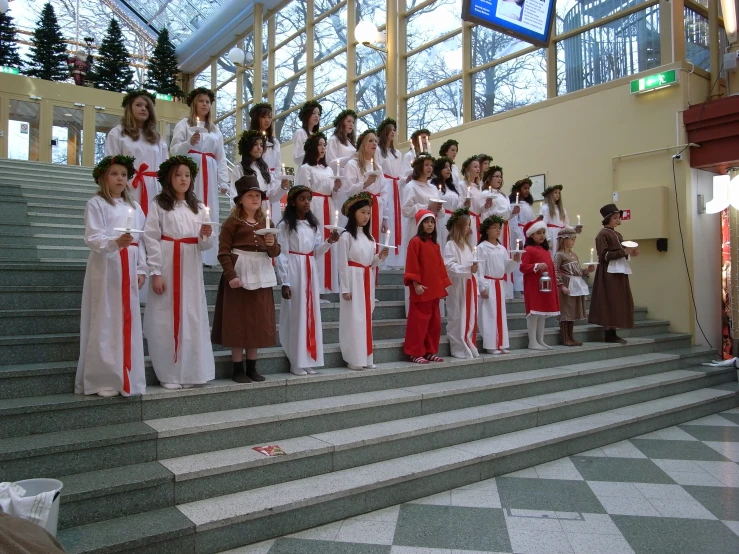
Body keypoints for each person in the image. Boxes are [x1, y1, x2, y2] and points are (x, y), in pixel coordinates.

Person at [75, 155, 147, 397]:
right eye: (114, 174)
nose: (120, 179)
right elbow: (92, 237)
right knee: (106, 318)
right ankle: (103, 378)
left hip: (128, 266)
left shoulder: (135, 207)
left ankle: (129, 376)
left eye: (124, 175)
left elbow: (141, 241)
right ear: (104, 177)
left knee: (127, 319)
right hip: (107, 267)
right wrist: (115, 243)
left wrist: (141, 268)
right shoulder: (96, 204)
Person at [143, 156, 215, 389]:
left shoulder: (199, 207)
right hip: (167, 261)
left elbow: (205, 245)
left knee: (191, 316)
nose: (183, 179)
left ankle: (192, 372)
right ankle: (170, 373)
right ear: (169, 178)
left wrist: (205, 235)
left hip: (191, 267)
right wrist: (155, 272)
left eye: (187, 175)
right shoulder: (159, 204)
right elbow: (151, 237)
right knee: (166, 316)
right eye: (178, 175)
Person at [212, 175, 281, 382]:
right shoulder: (231, 223)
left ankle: (252, 366)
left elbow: (275, 253)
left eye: (258, 195)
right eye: (250, 195)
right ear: (240, 199)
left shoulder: (266, 222)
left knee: (256, 320)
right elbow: (223, 252)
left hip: (260, 273)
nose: (255, 199)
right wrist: (231, 275)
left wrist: (271, 244)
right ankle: (237, 369)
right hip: (239, 273)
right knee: (238, 320)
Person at [276, 186, 340, 375]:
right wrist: (285, 282)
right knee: (296, 314)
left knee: (310, 314)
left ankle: (307, 358)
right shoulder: (285, 225)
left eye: (308, 199)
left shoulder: (313, 225)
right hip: (294, 268)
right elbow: (282, 255)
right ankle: (295, 360)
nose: (306, 202)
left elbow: (316, 251)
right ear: (293, 201)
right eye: (302, 199)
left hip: (309, 268)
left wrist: (329, 242)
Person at [169, 87, 228, 266]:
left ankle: (209, 255)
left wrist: (223, 180)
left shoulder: (214, 130)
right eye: (201, 101)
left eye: (208, 102)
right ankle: (190, 249)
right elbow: (173, 150)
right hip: (191, 171)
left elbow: (221, 156)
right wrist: (189, 143)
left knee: (209, 208)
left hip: (209, 171)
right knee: (191, 206)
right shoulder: (184, 125)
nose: (205, 104)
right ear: (194, 103)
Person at [338, 193, 389, 370]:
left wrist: (379, 257)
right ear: (353, 213)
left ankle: (366, 358)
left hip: (366, 278)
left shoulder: (370, 238)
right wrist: (345, 288)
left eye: (368, 213)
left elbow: (370, 263)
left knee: (365, 319)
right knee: (353, 319)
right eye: (362, 212)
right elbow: (342, 263)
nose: (366, 216)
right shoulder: (346, 236)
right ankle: (354, 358)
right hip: (353, 279)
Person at [104, 90, 168, 218]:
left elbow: (165, 166)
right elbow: (110, 163)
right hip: (129, 186)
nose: (143, 109)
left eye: (146, 106)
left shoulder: (157, 138)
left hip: (154, 188)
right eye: (138, 105)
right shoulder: (117, 133)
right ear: (129, 108)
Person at [297, 131, 344, 294]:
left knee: (329, 242)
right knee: (316, 243)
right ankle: (317, 287)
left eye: (325, 145)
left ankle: (329, 286)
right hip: (314, 207)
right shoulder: (305, 168)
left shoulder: (329, 170)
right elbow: (302, 193)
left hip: (328, 207)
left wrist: (337, 188)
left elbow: (334, 195)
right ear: (312, 147)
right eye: (320, 144)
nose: (323, 147)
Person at [404, 210, 451, 364]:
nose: (430, 224)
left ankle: (430, 351)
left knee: (434, 323)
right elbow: (412, 264)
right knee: (418, 323)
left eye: (432, 222)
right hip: (421, 289)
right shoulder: (415, 242)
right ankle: (414, 352)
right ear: (420, 224)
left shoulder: (435, 245)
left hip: (433, 290)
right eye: (426, 221)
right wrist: (416, 284)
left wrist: (442, 286)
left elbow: (439, 267)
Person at [401, 153, 445, 312]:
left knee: (431, 265)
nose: (429, 168)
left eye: (431, 165)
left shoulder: (433, 188)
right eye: (426, 165)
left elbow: (441, 213)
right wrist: (427, 207)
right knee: (417, 264)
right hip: (416, 229)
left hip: (432, 230)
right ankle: (413, 305)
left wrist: (438, 209)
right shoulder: (411, 186)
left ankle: (432, 299)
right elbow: (406, 210)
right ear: (419, 167)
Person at [588, 204, 637, 343]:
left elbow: (621, 251)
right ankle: (609, 333)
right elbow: (604, 255)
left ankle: (614, 330)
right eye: (615, 218)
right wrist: (624, 252)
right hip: (608, 273)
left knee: (618, 300)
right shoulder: (602, 234)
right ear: (608, 218)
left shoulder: (618, 234)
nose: (617, 220)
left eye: (618, 218)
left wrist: (630, 253)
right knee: (610, 300)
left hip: (619, 271)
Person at [478, 215, 521, 354]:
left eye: (499, 227)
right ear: (486, 230)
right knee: (489, 314)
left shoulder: (501, 248)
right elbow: (479, 269)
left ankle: (500, 343)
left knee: (500, 314)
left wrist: (514, 260)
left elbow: (506, 268)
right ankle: (490, 345)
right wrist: (482, 286)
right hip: (488, 283)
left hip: (498, 284)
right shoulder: (482, 248)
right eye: (494, 227)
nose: (498, 230)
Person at [443, 208, 480, 359]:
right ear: (458, 226)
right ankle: (457, 347)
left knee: (469, 316)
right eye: (466, 225)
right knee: (456, 315)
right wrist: (467, 269)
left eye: (469, 225)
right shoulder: (451, 245)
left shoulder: (468, 246)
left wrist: (474, 270)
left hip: (469, 284)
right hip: (457, 285)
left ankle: (468, 342)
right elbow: (449, 266)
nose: (469, 229)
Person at [520, 219, 560, 350]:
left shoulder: (546, 251)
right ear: (531, 235)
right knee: (534, 313)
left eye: (543, 232)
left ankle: (540, 340)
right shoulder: (528, 250)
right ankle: (532, 341)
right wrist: (536, 266)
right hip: (533, 286)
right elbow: (523, 267)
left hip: (545, 286)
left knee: (542, 312)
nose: (542, 235)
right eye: (538, 233)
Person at [481, 165, 519, 298]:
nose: (499, 178)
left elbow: (506, 214)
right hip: (493, 227)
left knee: (503, 255)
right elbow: (485, 213)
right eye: (496, 176)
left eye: (500, 176)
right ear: (489, 179)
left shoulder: (503, 195)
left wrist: (512, 213)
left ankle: (505, 289)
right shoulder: (485, 193)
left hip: (504, 227)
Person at [344, 129, 387, 245]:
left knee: (375, 242)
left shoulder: (378, 167)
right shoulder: (352, 164)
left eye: (375, 141)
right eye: (370, 141)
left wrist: (385, 218)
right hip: (360, 207)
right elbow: (348, 191)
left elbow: (384, 192)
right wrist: (365, 184)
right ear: (363, 144)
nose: (374, 143)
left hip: (377, 207)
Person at [555, 226, 595, 347]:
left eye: (574, 239)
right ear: (564, 239)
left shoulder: (573, 254)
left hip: (574, 285)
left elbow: (577, 271)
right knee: (565, 311)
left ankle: (571, 337)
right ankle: (565, 338)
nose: (573, 241)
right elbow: (555, 271)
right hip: (566, 285)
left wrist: (586, 271)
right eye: (571, 239)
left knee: (571, 312)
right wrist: (561, 285)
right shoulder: (559, 255)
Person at [233, 130, 287, 212]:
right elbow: (234, 194)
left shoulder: (265, 168)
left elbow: (272, 196)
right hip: (248, 211)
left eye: (261, 145)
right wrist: (237, 214)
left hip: (265, 210)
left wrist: (282, 188)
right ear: (247, 147)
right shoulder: (240, 168)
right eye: (255, 144)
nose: (259, 148)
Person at [376, 118, 404, 267]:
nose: (393, 132)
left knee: (396, 221)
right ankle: (383, 258)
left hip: (395, 187)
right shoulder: (379, 151)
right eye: (390, 129)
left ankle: (395, 259)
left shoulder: (397, 153)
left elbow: (399, 172)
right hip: (385, 185)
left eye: (395, 130)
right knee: (386, 219)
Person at [250, 102, 284, 220]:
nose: (267, 120)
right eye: (263, 117)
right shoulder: (250, 140)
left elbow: (278, 164)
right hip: (258, 181)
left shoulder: (274, 142)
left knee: (273, 217)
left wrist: (279, 183)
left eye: (269, 117)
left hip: (273, 181)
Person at [510, 177, 536, 298]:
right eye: (525, 188)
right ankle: (518, 288)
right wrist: (519, 239)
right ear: (518, 190)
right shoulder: (514, 205)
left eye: (528, 189)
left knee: (527, 260)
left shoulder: (527, 205)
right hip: (519, 233)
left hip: (528, 233)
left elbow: (530, 221)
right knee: (519, 260)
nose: (527, 191)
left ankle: (526, 285)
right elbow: (514, 224)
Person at [540, 184, 582, 258]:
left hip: (561, 235)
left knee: (562, 256)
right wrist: (548, 239)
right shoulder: (546, 208)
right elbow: (543, 225)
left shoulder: (562, 210)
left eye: (559, 193)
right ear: (550, 194)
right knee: (553, 255)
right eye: (555, 192)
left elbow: (566, 225)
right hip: (552, 234)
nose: (558, 194)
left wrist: (574, 229)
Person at [292, 100, 322, 183]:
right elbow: (297, 157)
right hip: (305, 171)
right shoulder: (300, 132)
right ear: (307, 115)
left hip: (317, 172)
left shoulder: (317, 135)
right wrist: (314, 153)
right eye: (314, 113)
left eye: (318, 114)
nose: (317, 116)